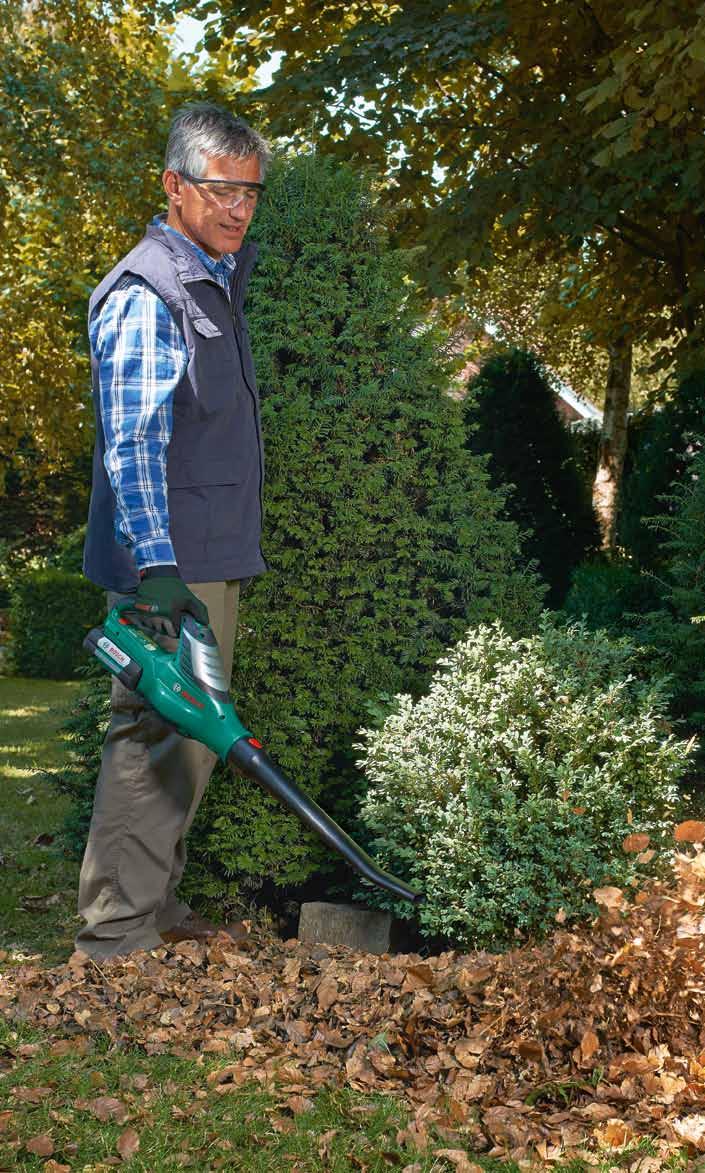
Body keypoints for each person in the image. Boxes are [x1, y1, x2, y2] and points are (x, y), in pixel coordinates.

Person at [77, 102, 272, 958]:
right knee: (155, 731)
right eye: (222, 189)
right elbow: (133, 441)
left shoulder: (210, 280)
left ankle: (151, 912)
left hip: (208, 550)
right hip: (172, 561)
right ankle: (113, 939)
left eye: (251, 193)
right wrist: (158, 567)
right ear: (174, 186)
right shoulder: (150, 290)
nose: (238, 208)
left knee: (190, 744)